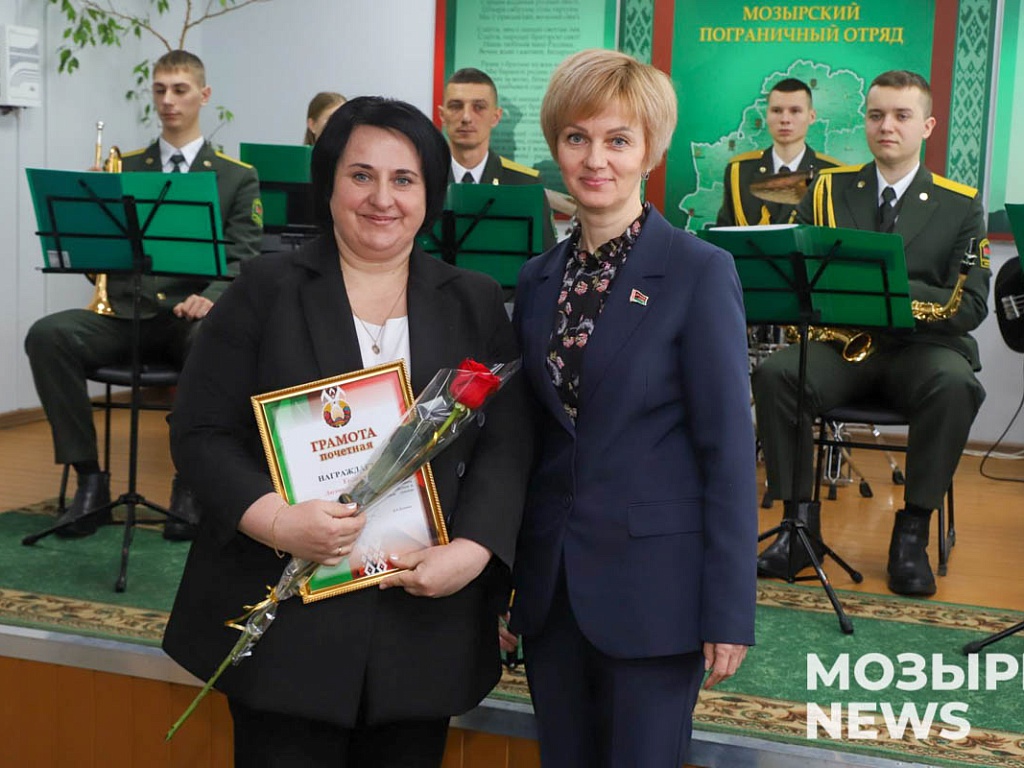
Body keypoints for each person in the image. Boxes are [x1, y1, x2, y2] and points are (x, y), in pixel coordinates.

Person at [162, 96, 532, 767]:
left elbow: (506, 445)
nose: (381, 198)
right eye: (361, 175)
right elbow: (199, 431)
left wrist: (474, 550)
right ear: (328, 184)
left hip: (422, 620)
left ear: (430, 193)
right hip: (289, 626)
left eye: (403, 179)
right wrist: (277, 521)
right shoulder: (264, 289)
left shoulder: (473, 299)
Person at [508, 49, 758, 766]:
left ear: (650, 152)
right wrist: (510, 585)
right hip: (551, 593)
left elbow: (727, 452)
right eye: (577, 138)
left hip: (656, 595)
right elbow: (527, 444)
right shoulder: (536, 280)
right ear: (556, 146)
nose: (596, 160)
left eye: (618, 140)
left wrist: (728, 609)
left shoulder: (698, 271)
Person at [752, 70, 990, 597]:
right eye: (876, 115)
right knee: (776, 373)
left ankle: (911, 536)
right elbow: (800, 276)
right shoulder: (827, 188)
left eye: (902, 116)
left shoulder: (962, 203)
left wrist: (897, 289)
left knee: (957, 385)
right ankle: (798, 529)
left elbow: (971, 304)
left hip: (924, 348)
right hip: (844, 345)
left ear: (927, 126)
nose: (887, 126)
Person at [24, 49, 263, 542]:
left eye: (180, 89)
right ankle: (90, 481)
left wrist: (211, 296)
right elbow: (94, 264)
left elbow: (245, 257)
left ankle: (190, 482)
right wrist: (89, 225)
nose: (168, 100)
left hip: (187, 321)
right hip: (124, 314)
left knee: (212, 341)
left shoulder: (236, 176)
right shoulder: (126, 167)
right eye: (160, 89)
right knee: (48, 335)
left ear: (204, 95)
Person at [438, 67, 555, 247]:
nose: (466, 117)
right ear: (442, 115)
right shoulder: (425, 180)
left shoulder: (524, 184)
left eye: (479, 107)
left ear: (496, 117)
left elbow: (546, 255)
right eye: (456, 106)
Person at [716, 77, 842, 227]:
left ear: (811, 117)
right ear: (767, 115)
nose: (785, 119)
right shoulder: (739, 172)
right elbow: (724, 232)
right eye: (777, 111)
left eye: (795, 111)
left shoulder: (831, 175)